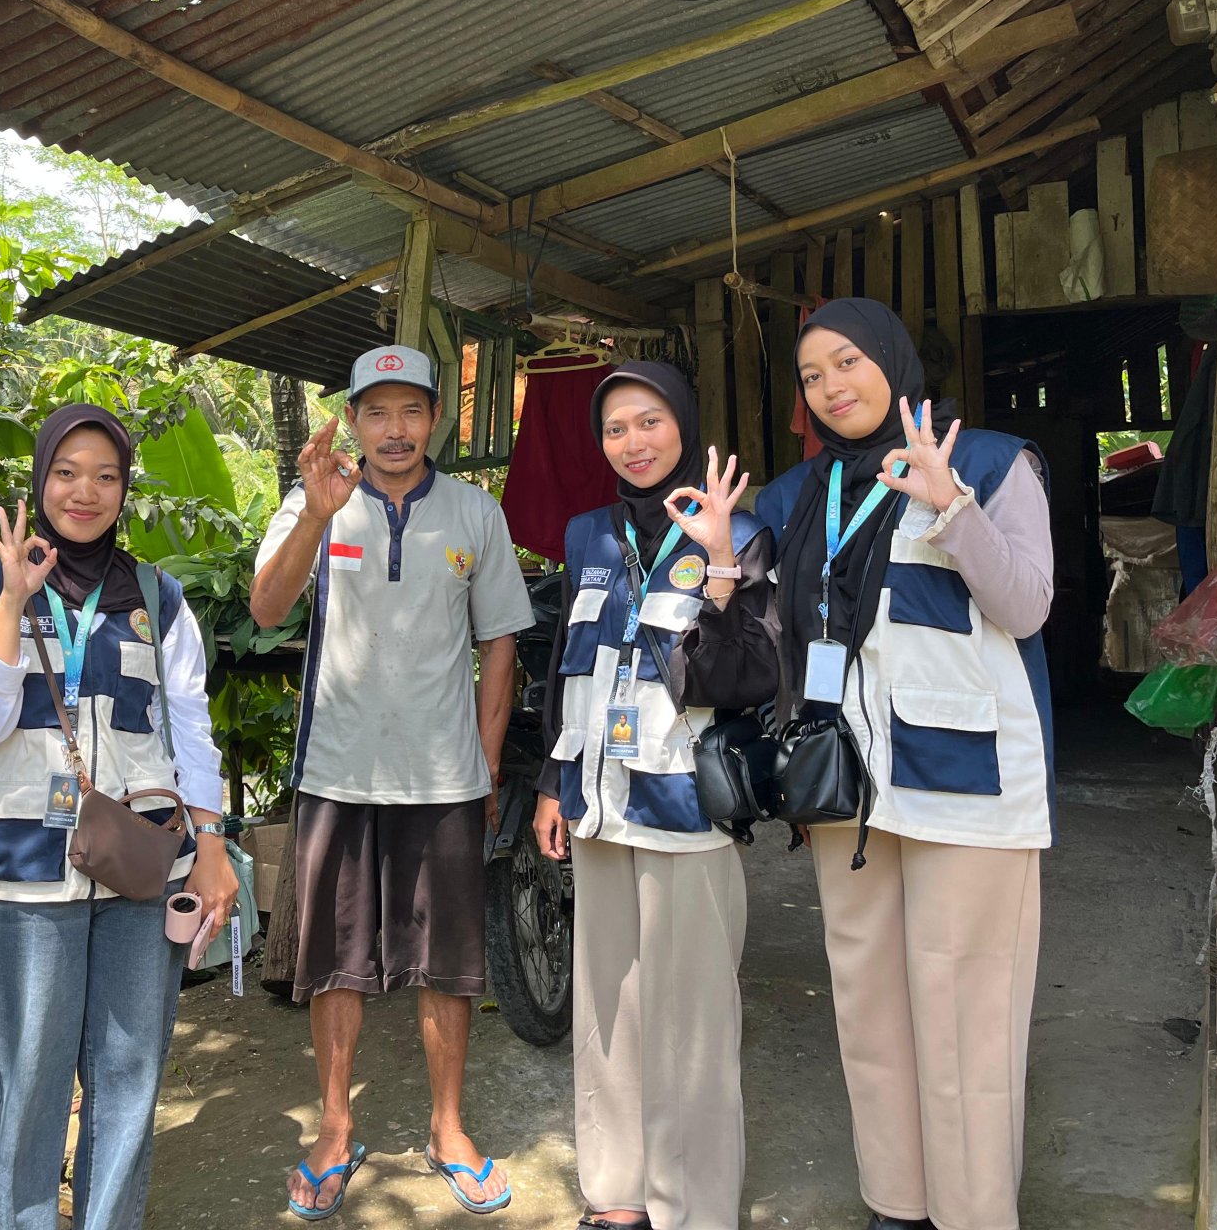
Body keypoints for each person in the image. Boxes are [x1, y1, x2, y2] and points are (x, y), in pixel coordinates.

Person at [752, 298, 1054, 1230]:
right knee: (870, 1010)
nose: (833, 386)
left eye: (847, 361)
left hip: (969, 787)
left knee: (967, 1019)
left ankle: (971, 1214)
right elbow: (776, 635)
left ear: (891, 358)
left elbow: (1029, 605)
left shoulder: (989, 459)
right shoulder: (795, 496)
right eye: (812, 375)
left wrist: (951, 507)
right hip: (845, 789)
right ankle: (897, 1202)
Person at [252, 345, 535, 1221]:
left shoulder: (475, 513)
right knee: (333, 959)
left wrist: (485, 767)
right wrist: (313, 515)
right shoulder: (314, 501)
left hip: (443, 775)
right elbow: (265, 610)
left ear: (437, 418)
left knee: (448, 963)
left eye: (411, 410)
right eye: (377, 412)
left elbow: (500, 648)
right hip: (337, 770)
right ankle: (335, 1129)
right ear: (356, 420)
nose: (395, 429)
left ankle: (448, 1128)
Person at [0, 404, 239, 1230]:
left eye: (105, 476)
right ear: (41, 480)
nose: (85, 491)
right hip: (30, 871)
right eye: (67, 472)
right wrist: (12, 601)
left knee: (129, 1069)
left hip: (143, 867)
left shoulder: (158, 596)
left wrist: (212, 844)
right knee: (28, 1075)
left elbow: (191, 727)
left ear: (124, 489)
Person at [530, 362, 777, 1230]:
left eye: (650, 422)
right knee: (607, 1007)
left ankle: (696, 1205)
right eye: (616, 429)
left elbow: (747, 676)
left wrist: (716, 566)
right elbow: (569, 662)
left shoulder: (740, 529)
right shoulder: (586, 534)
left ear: (686, 426)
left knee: (695, 1019)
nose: (633, 443)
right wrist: (553, 785)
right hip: (598, 802)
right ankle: (616, 1190)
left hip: (688, 804)